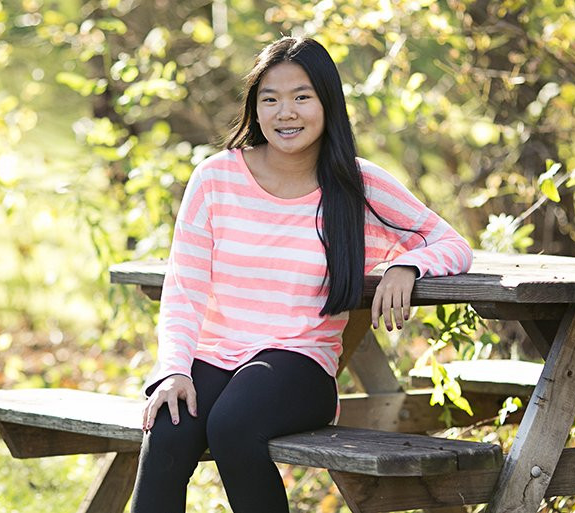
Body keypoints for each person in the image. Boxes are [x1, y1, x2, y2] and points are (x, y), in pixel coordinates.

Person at [130, 36, 473, 513]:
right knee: (167, 427)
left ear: (327, 102)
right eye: (269, 99)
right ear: (254, 108)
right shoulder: (215, 178)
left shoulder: (357, 184)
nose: (284, 112)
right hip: (215, 354)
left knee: (232, 424)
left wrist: (407, 265)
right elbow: (184, 290)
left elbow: (451, 243)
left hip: (299, 362)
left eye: (301, 97)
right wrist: (172, 371)